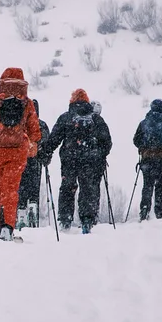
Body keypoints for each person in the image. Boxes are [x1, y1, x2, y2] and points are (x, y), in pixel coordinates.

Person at [0, 67, 41, 240]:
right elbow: (34, 129)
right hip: (17, 152)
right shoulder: (26, 102)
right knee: (11, 191)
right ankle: (8, 227)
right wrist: (35, 146)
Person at [39, 88, 112, 234]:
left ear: (72, 101)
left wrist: (44, 152)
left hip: (69, 159)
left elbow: (54, 139)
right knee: (87, 189)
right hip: (90, 160)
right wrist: (100, 155)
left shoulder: (66, 118)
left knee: (68, 187)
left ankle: (65, 220)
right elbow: (107, 142)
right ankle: (87, 221)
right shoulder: (96, 119)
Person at [17, 110, 51, 230]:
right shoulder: (41, 124)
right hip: (35, 160)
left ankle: (20, 213)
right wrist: (46, 157)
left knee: (20, 187)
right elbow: (47, 143)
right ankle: (33, 206)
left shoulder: (19, 123)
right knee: (34, 186)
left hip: (19, 159)